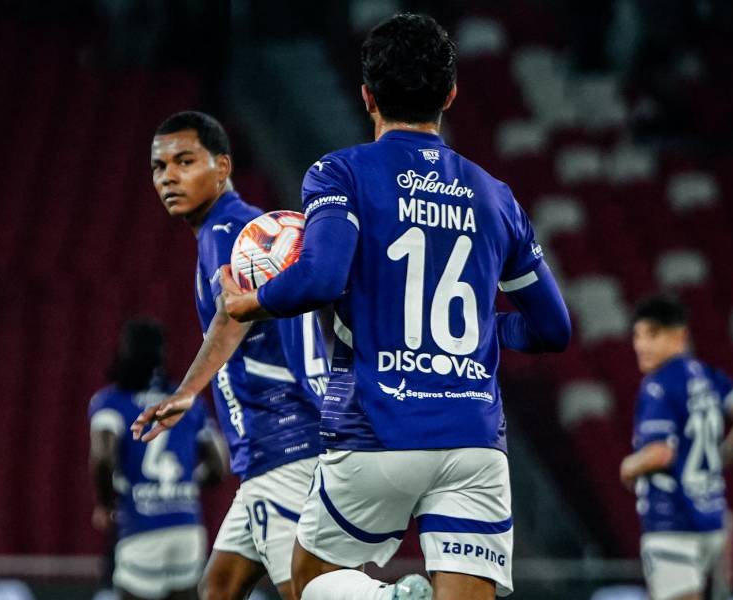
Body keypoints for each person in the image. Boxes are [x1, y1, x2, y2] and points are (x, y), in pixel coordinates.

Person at [219, 13, 571, 600]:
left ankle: (387, 598)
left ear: (366, 96)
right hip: (472, 438)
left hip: (378, 429)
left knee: (309, 580)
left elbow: (319, 278)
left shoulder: (341, 173)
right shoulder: (495, 197)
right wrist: (488, 327)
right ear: (451, 94)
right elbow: (553, 328)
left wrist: (246, 304)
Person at [130, 111, 329, 600]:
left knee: (310, 592)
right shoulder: (247, 228)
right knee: (218, 588)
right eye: (159, 167)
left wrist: (185, 392)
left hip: (282, 444)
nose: (169, 177)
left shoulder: (230, 231)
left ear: (222, 168)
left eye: (184, 161)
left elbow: (231, 317)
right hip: (279, 443)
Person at [620, 295, 733, 600]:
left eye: (652, 335)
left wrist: (628, 466)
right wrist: (717, 462)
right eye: (637, 336)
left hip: (672, 523)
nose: (641, 345)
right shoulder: (707, 376)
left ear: (679, 335)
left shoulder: (659, 385)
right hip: (711, 520)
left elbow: (660, 453)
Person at [89, 318, 228, 600]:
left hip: (141, 529)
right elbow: (219, 466)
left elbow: (103, 458)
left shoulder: (109, 402)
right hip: (187, 528)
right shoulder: (187, 401)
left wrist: (105, 505)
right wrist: (185, 484)